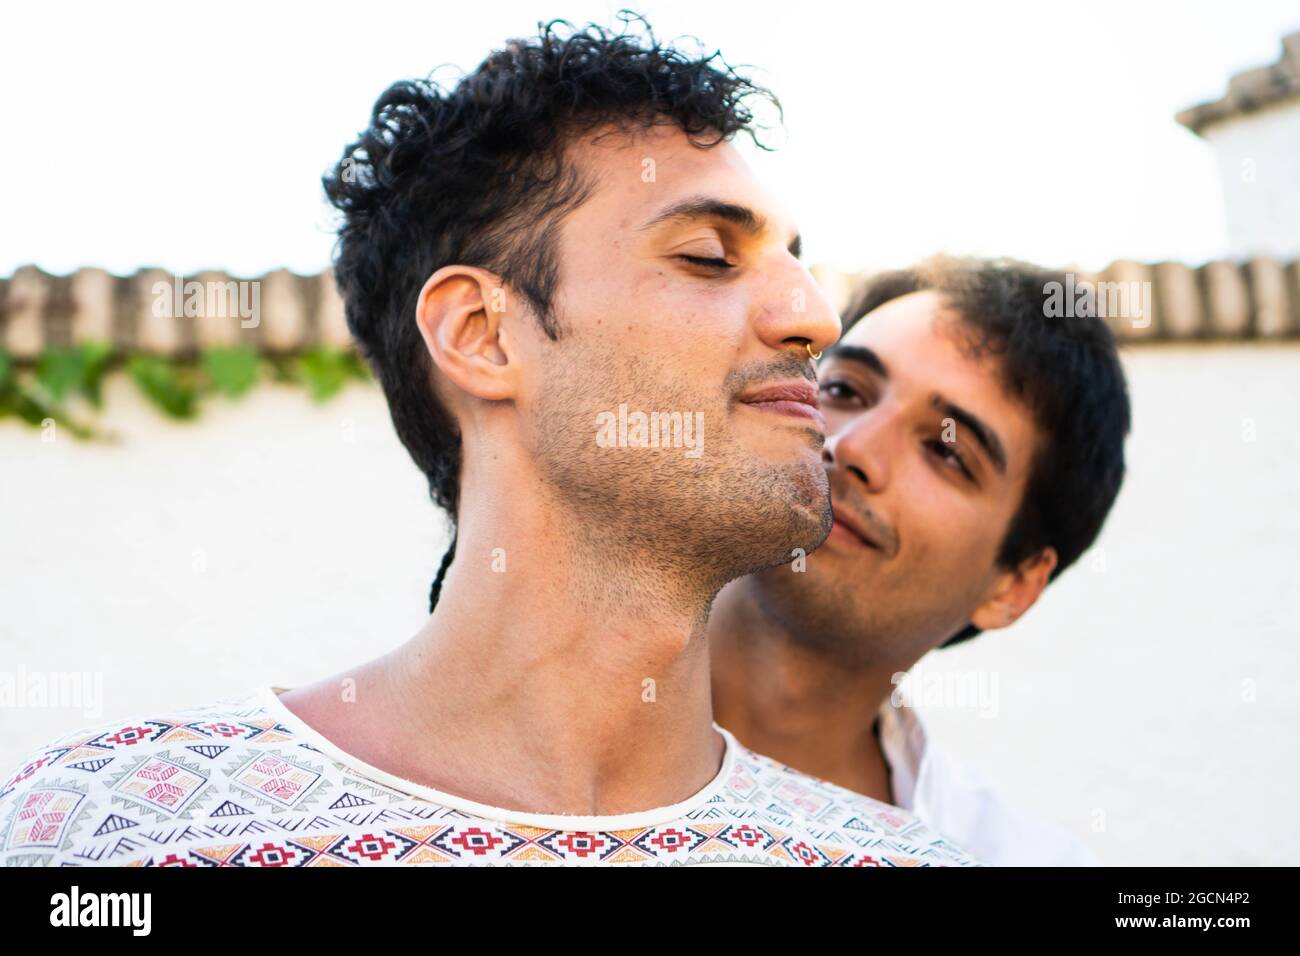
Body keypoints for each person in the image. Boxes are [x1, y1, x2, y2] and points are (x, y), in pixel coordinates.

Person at [0, 18, 978, 867]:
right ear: (482, 332)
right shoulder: (104, 829)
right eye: (709, 256)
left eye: (797, 265)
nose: (814, 316)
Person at [707, 256, 1132, 865]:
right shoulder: (527, 710)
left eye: (946, 451)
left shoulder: (1001, 856)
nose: (849, 447)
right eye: (844, 390)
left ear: (1013, 585)